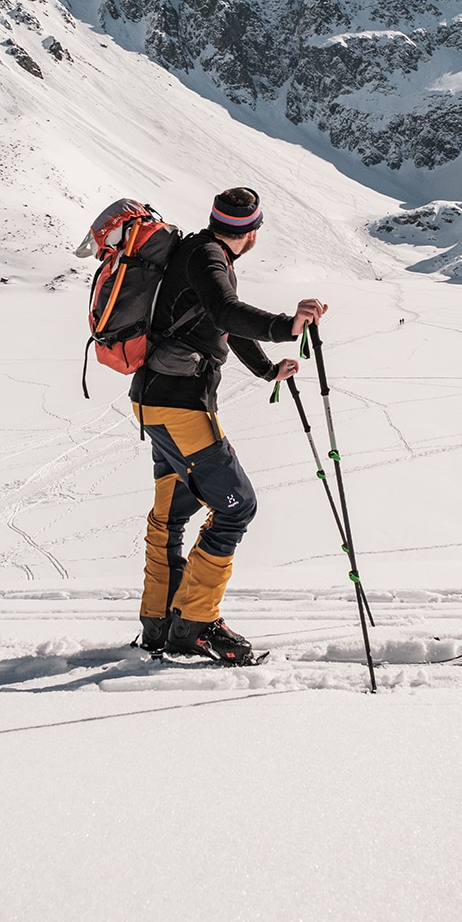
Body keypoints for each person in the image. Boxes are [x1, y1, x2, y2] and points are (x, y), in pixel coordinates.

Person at [130, 186, 327, 664]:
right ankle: (195, 625)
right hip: (181, 407)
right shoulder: (209, 257)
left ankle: (161, 623)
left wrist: (266, 370)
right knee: (237, 508)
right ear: (252, 231)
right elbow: (224, 312)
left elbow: (218, 324)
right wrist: (288, 325)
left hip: (155, 402)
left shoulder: (198, 252)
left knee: (172, 514)